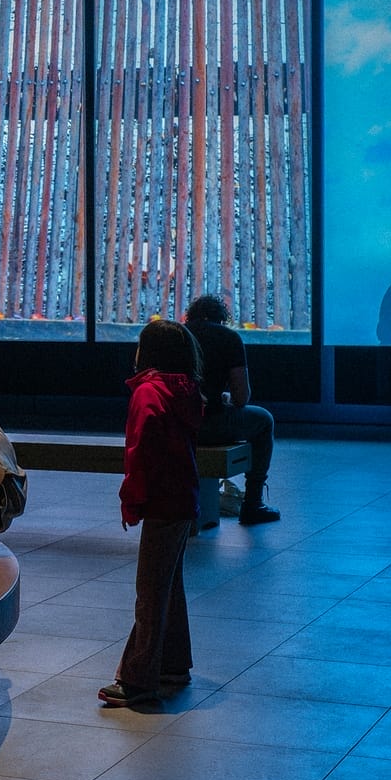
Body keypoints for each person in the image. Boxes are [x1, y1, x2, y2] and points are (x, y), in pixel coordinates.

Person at [101, 317, 206, 708]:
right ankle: (174, 665)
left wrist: (132, 501)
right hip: (182, 499)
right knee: (168, 585)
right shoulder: (185, 389)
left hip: (162, 502)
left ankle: (138, 678)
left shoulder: (148, 392)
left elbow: (140, 452)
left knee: (149, 591)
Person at [183, 294, 278, 524]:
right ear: (221, 318)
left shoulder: (174, 336)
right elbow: (241, 397)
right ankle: (253, 502)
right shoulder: (228, 337)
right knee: (264, 420)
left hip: (174, 425)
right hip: (209, 425)